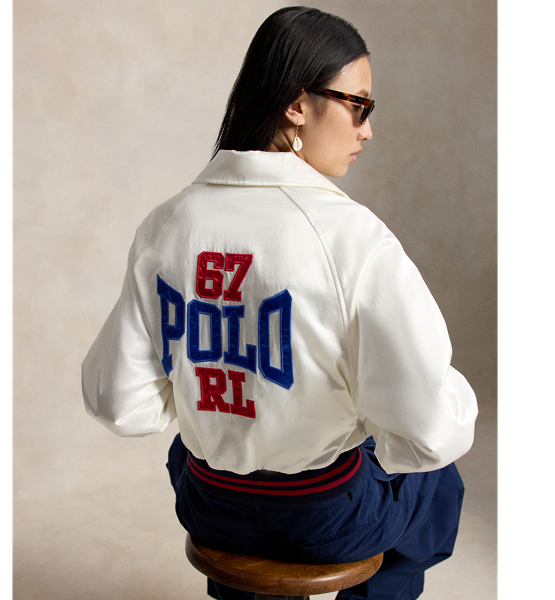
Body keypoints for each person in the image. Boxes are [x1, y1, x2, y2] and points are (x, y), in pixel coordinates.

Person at [81, 6, 478, 600]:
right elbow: (430, 429)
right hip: (323, 520)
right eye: (358, 105)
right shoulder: (352, 237)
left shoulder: (167, 223)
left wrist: (221, 413)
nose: (367, 129)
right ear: (297, 104)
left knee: (205, 446)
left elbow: (119, 404)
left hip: (210, 505)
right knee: (436, 477)